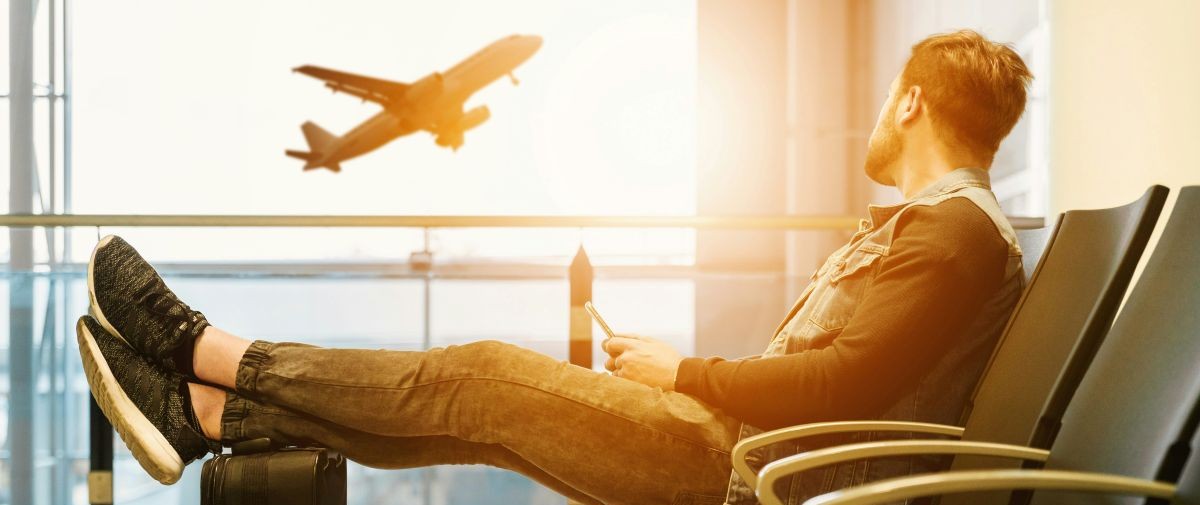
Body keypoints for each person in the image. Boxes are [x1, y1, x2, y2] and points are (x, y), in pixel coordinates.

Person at [77, 29, 1032, 505]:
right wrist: (685, 375)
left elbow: (839, 383)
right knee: (476, 418)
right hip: (753, 452)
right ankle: (207, 415)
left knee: (478, 377)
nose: (878, 116)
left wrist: (683, 372)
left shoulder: (954, 235)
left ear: (912, 104)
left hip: (749, 470)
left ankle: (203, 351)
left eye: (887, 99)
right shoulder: (944, 231)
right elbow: (842, 377)